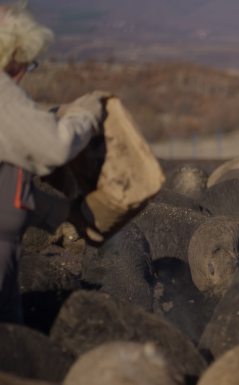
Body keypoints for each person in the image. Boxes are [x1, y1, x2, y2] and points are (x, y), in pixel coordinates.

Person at [0, 2, 108, 323]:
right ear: (14, 56)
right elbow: (55, 147)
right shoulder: (2, 93)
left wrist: (59, 213)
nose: (23, 74)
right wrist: (84, 118)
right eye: (27, 64)